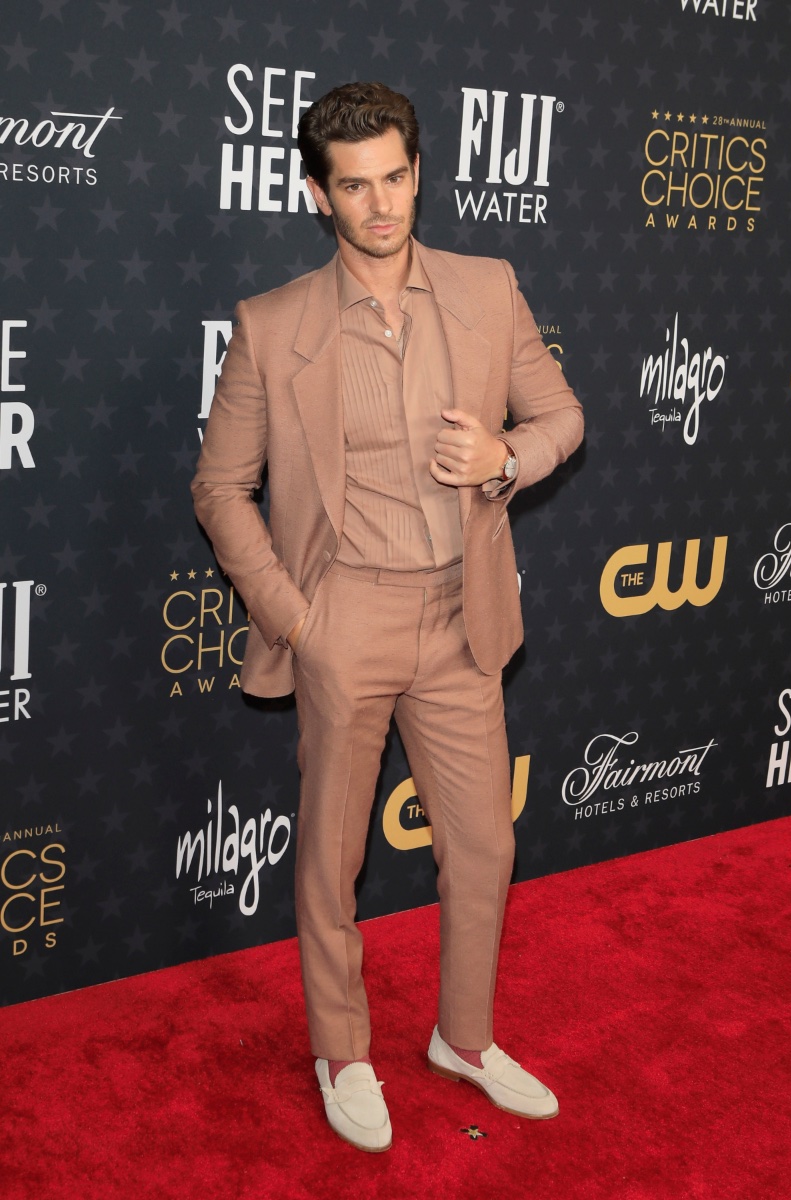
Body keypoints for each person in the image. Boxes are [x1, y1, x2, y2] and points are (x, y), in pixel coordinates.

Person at [191, 81, 583, 1153]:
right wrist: (296, 616)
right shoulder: (272, 328)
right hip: (342, 615)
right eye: (354, 186)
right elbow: (219, 489)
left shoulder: (485, 287)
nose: (380, 205)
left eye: (395, 179)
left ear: (418, 172)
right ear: (317, 193)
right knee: (329, 857)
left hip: (461, 615)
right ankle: (343, 1048)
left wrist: (506, 456)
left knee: (485, 845)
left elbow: (561, 413)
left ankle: (462, 1037)